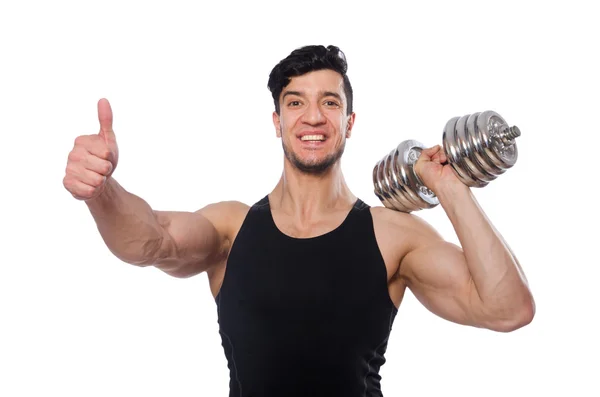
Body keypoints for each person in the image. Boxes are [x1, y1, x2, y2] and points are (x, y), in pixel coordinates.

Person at [63, 45, 535, 396]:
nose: (314, 116)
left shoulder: (393, 235)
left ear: (350, 122)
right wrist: (101, 191)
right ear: (276, 120)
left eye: (330, 102)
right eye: (295, 102)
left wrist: (449, 184)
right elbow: (149, 242)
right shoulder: (232, 229)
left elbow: (507, 309)